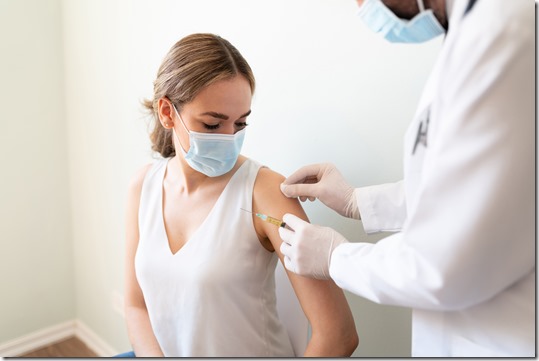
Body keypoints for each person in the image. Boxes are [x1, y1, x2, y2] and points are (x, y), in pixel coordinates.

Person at [278, 0, 534, 357]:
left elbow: (443, 264)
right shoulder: (472, 33)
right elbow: (476, 190)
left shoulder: (503, 34)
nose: (360, 5)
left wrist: (338, 258)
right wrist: (359, 202)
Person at [122, 33, 358, 357]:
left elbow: (338, 335)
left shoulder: (265, 193)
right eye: (212, 125)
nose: (229, 139)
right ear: (167, 112)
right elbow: (136, 305)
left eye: (240, 124)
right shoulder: (143, 187)